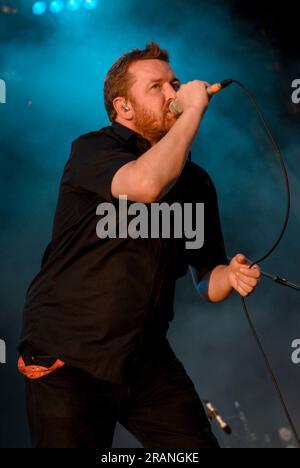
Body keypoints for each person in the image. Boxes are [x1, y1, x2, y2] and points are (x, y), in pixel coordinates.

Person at [18, 42, 261, 448]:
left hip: (145, 358)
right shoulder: (94, 149)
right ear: (123, 107)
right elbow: (145, 185)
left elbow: (207, 280)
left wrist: (231, 276)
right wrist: (195, 110)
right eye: (157, 87)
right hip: (70, 354)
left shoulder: (194, 181)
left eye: (177, 84)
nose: (174, 95)